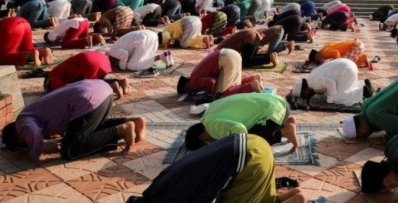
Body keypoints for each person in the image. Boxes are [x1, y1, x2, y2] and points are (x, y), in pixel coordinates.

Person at [128, 133, 307, 203]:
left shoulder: (164, 200)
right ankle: (293, 197)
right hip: (254, 143)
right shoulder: (156, 188)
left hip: (249, 160)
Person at [1, 80, 146, 162]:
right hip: (101, 90)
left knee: (70, 149)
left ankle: (121, 130)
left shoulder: (22, 121)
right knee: (88, 128)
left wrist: (34, 154)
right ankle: (133, 121)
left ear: (18, 135)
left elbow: (33, 133)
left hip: (86, 100)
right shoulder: (31, 112)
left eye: (22, 144)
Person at [185, 93, 298, 152]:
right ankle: (286, 122)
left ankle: (284, 131)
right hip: (278, 103)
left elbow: (239, 128)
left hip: (273, 113)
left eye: (207, 144)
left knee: (254, 143)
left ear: (203, 137)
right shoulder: (208, 113)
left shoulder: (212, 127)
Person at [342, 77, 398, 141]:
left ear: (361, 129)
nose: (366, 135)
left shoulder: (374, 117)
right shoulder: (364, 107)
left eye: (362, 135)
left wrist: (388, 138)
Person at [44, 51, 129, 100]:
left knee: (83, 88)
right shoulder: (58, 70)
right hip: (102, 58)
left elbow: (62, 91)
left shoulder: (53, 75)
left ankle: (111, 86)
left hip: (88, 63)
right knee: (97, 81)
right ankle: (120, 82)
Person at [178, 48, 263, 97]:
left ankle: (251, 85)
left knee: (222, 93)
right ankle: (253, 78)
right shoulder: (194, 75)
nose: (190, 91)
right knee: (232, 85)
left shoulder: (193, 82)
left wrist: (210, 96)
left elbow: (211, 82)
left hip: (225, 59)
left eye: (188, 90)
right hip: (231, 54)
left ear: (187, 86)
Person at [292, 58, 372, 106]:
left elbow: (331, 83)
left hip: (346, 70)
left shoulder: (313, 83)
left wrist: (329, 101)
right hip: (349, 65)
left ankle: (363, 91)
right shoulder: (311, 76)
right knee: (343, 88)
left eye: (305, 94)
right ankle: (363, 84)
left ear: (305, 90)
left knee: (337, 98)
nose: (308, 96)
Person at [216, 27, 285, 68]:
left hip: (250, 37)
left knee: (245, 62)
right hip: (254, 34)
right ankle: (269, 56)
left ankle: (268, 58)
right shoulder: (224, 43)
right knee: (252, 57)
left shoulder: (220, 50)